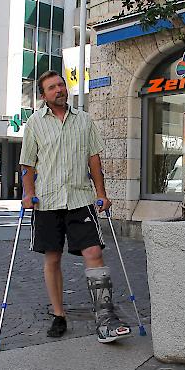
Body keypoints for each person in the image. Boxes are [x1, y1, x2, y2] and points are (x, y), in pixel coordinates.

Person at [19, 70, 131, 343]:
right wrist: (28, 193)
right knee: (53, 257)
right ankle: (59, 314)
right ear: (44, 95)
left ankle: (106, 318)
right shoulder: (34, 123)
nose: (59, 90)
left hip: (80, 200)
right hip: (46, 200)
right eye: (52, 87)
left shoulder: (85, 120)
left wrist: (102, 193)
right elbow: (27, 164)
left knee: (93, 252)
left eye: (61, 85)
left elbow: (94, 161)